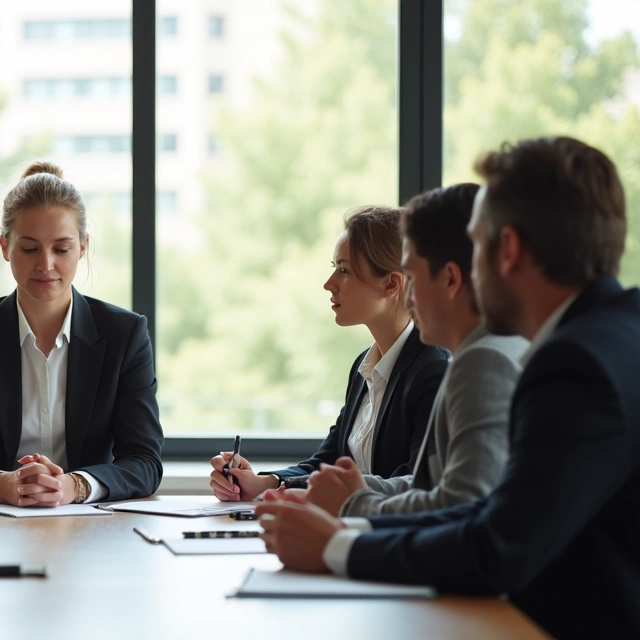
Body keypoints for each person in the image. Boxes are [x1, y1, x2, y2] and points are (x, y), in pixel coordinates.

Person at [256, 136, 640, 639]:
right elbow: (488, 512)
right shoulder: (616, 333)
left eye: (477, 246)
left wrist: (336, 545)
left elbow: (496, 547)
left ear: (508, 251)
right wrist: (347, 526)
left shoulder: (573, 365)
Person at [0, 161, 163, 505]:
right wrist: (4, 485)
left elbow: (145, 462)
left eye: (61, 248)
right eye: (29, 248)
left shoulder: (125, 335)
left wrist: (74, 486)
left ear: (83, 246)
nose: (46, 264)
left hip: (93, 527)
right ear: (5, 247)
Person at [300, 184, 527, 517]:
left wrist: (350, 515)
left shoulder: (481, 361)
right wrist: (343, 490)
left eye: (412, 275)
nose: (406, 295)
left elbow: (460, 506)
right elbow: (428, 485)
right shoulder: (476, 355)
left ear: (450, 279)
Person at [210, 206, 449, 501]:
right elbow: (329, 461)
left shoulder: (433, 370)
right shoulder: (363, 367)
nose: (328, 283)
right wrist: (265, 482)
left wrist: (291, 490)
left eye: (344, 270)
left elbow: (415, 483)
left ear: (391, 284)